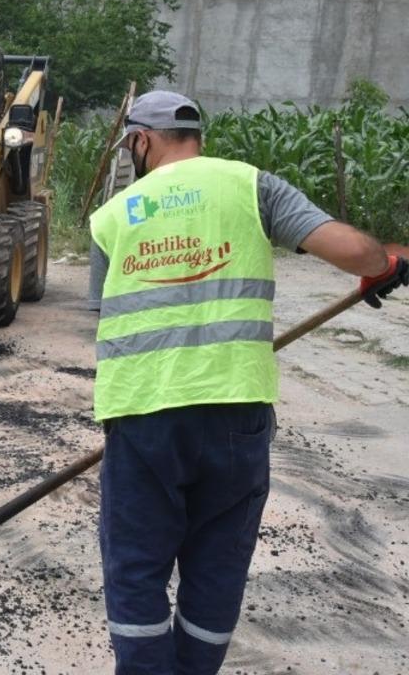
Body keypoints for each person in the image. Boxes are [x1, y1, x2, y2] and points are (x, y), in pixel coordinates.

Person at [87, 90, 409, 674]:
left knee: (135, 567)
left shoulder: (112, 217)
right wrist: (383, 266)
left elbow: (108, 317)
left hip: (142, 417)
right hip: (236, 415)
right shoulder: (249, 185)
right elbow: (354, 251)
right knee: (216, 565)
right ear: (196, 138)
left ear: (141, 140)